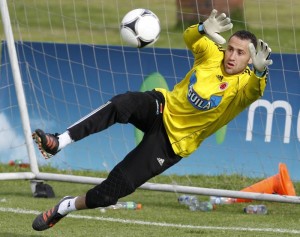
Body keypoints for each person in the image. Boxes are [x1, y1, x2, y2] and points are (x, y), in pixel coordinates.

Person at [31, 9, 272, 231]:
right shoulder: (212, 56)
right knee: (122, 103)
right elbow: (191, 39)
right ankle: (59, 141)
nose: (231, 56)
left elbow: (255, 91)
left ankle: (66, 206)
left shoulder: (244, 87)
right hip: (162, 106)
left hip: (171, 143)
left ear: (250, 58)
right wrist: (202, 28)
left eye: (240, 53)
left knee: (109, 193)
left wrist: (261, 73)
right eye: (230, 48)